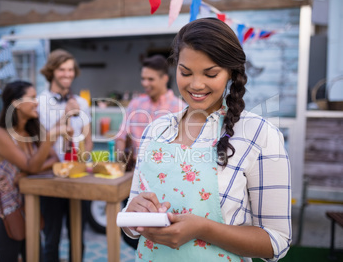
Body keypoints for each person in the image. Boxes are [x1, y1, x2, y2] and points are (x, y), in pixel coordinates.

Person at [121, 18, 291, 261]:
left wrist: (203, 229)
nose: (196, 84)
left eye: (210, 73)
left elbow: (277, 241)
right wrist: (132, 215)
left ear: (231, 72)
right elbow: (131, 222)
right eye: (185, 72)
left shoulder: (259, 134)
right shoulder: (155, 130)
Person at [0, 80, 71, 262]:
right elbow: (33, 165)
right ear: (15, 103)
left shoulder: (34, 128)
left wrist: (29, 172)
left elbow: (53, 159)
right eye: (31, 97)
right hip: (4, 209)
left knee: (35, 257)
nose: (37, 102)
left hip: (29, 206)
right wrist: (48, 140)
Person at [37, 49, 93, 262]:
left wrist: (81, 162)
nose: (67, 74)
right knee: (51, 237)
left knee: (78, 235)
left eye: (70, 70)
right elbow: (44, 143)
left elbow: (88, 140)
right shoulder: (40, 103)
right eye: (62, 69)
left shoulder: (82, 102)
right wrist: (66, 114)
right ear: (51, 71)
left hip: (77, 177)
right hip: (50, 177)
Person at [116, 54, 186, 170]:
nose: (145, 83)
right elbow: (121, 136)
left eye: (150, 79)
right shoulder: (135, 104)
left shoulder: (179, 108)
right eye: (143, 79)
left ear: (165, 79)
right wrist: (121, 159)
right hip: (134, 171)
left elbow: (182, 150)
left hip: (165, 173)